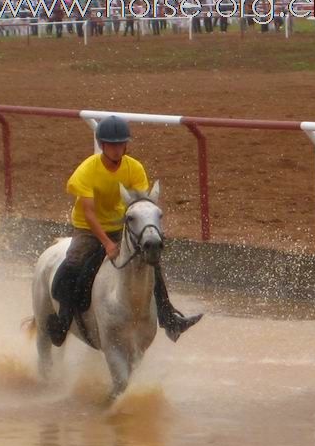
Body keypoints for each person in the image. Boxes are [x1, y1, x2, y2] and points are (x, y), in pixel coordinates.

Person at [47, 115, 202, 347]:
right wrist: (107, 244)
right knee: (72, 266)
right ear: (102, 144)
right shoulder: (87, 170)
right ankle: (62, 321)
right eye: (112, 144)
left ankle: (169, 318)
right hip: (88, 229)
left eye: (121, 144)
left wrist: (148, 232)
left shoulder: (135, 167)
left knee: (152, 265)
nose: (118, 149)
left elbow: (142, 205)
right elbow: (89, 214)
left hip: (122, 227)